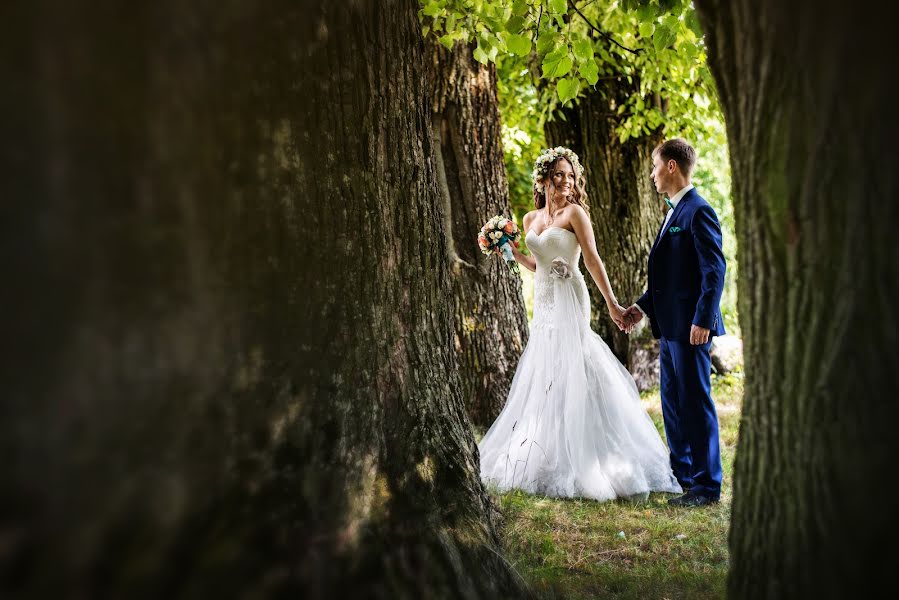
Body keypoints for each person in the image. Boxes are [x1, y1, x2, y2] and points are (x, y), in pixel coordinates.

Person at [478, 147, 682, 502]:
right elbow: (536, 264)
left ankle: (597, 454)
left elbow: (591, 258)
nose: (566, 182)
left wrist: (613, 303)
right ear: (543, 179)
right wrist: (510, 253)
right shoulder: (529, 220)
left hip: (571, 295)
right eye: (559, 175)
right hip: (543, 300)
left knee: (576, 361)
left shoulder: (577, 213)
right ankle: (548, 453)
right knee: (548, 368)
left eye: (571, 176)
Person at [623, 138, 726, 508]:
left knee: (695, 403)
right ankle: (683, 476)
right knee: (673, 405)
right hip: (668, 327)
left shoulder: (699, 211)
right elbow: (669, 278)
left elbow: (714, 270)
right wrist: (640, 307)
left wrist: (704, 320)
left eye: (654, 167)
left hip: (691, 328)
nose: (651, 175)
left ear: (670, 167)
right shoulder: (671, 213)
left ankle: (707, 486)